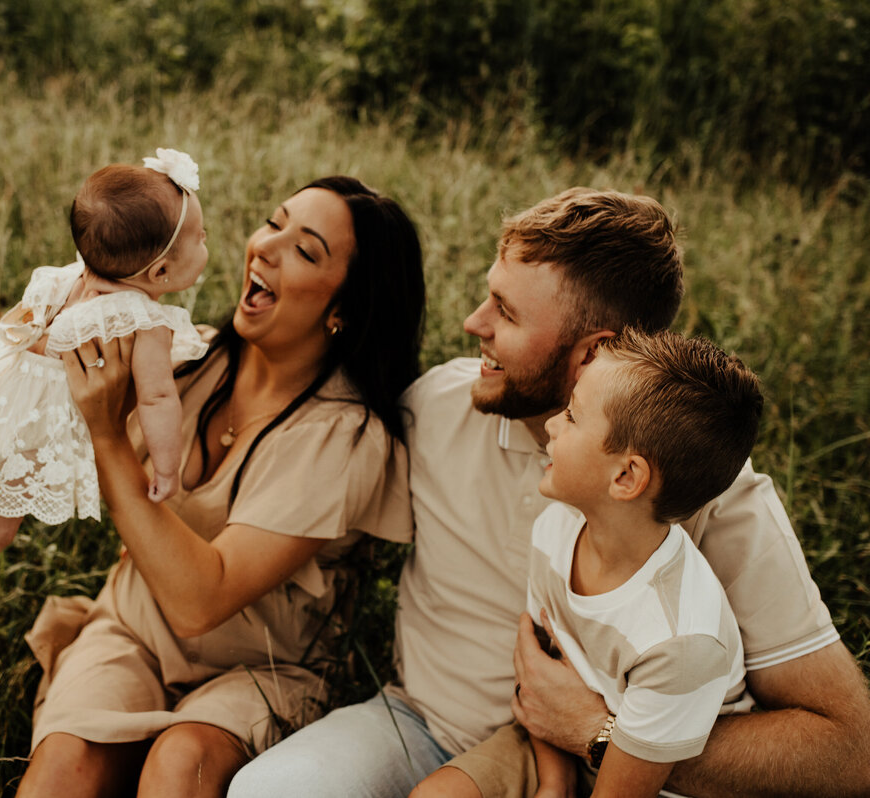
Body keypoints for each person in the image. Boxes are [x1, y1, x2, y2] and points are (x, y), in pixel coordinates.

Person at [229, 188, 870, 797]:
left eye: (506, 312)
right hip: (419, 730)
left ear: (596, 355)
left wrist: (599, 734)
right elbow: (294, 443)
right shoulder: (437, 407)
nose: (472, 322)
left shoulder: (707, 490)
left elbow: (849, 754)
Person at [14, 175, 427, 797]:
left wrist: (108, 438)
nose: (265, 246)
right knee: (64, 765)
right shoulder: (185, 357)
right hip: (134, 628)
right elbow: (27, 356)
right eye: (274, 222)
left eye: (306, 250)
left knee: (182, 762)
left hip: (265, 667)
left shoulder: (343, 437)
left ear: (344, 309)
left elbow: (201, 601)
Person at [0, 149, 211, 652]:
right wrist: (165, 468)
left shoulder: (61, 277)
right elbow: (158, 398)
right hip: (27, 426)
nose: (206, 243)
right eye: (200, 238)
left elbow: (14, 325)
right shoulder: (144, 320)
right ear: (159, 275)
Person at [427, 328, 763, 798]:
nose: (551, 426)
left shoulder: (681, 641)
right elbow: (541, 676)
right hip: (556, 745)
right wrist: (552, 784)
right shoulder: (557, 528)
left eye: (571, 416)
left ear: (626, 476)